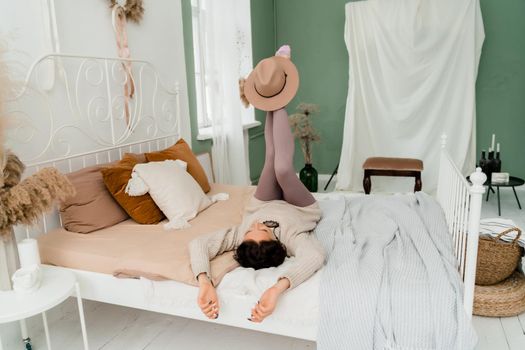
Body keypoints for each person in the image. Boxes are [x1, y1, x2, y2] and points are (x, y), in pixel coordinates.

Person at [189, 45, 325, 323]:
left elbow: (199, 244)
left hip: (263, 200)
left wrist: (204, 282)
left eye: (251, 228)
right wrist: (278, 287)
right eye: (263, 228)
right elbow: (315, 257)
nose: (255, 224)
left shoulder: (242, 237)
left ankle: (270, 92)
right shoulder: (292, 238)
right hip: (300, 208)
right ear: (277, 243)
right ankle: (279, 91)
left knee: (272, 159)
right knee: (284, 169)